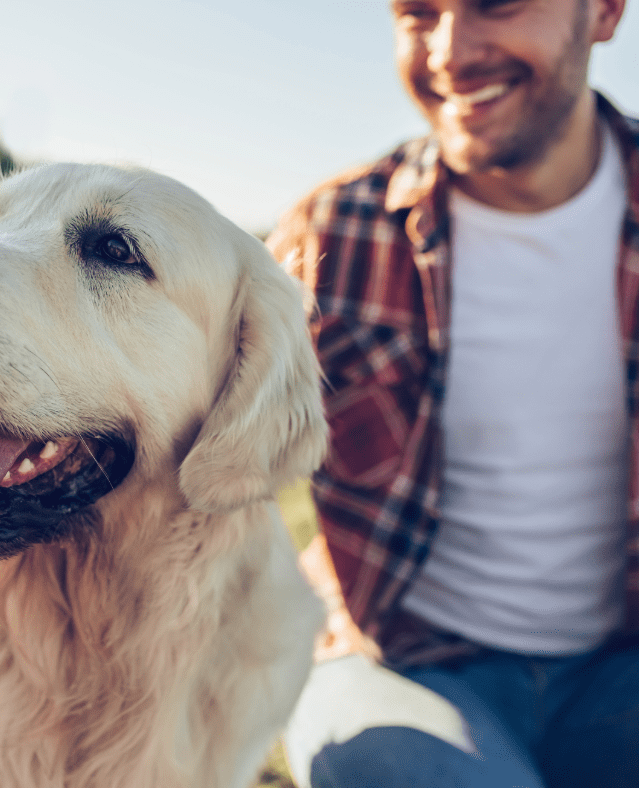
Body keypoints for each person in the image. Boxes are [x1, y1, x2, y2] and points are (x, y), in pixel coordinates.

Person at [267, 0, 639, 786]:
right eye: (417, 13)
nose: (448, 51)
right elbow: (182, 456)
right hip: (396, 663)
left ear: (603, 12)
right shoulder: (333, 233)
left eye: (493, 5)